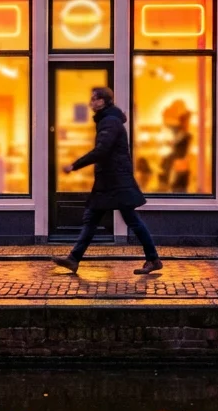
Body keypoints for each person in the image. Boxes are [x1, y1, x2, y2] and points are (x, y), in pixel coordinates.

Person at [53, 87, 162, 275]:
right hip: (110, 180)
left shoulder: (109, 122)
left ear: (104, 101)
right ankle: (73, 259)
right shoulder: (108, 120)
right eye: (91, 99)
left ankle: (153, 258)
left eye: (95, 99)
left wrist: (74, 165)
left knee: (130, 220)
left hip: (115, 181)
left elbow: (102, 150)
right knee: (93, 219)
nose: (91, 103)